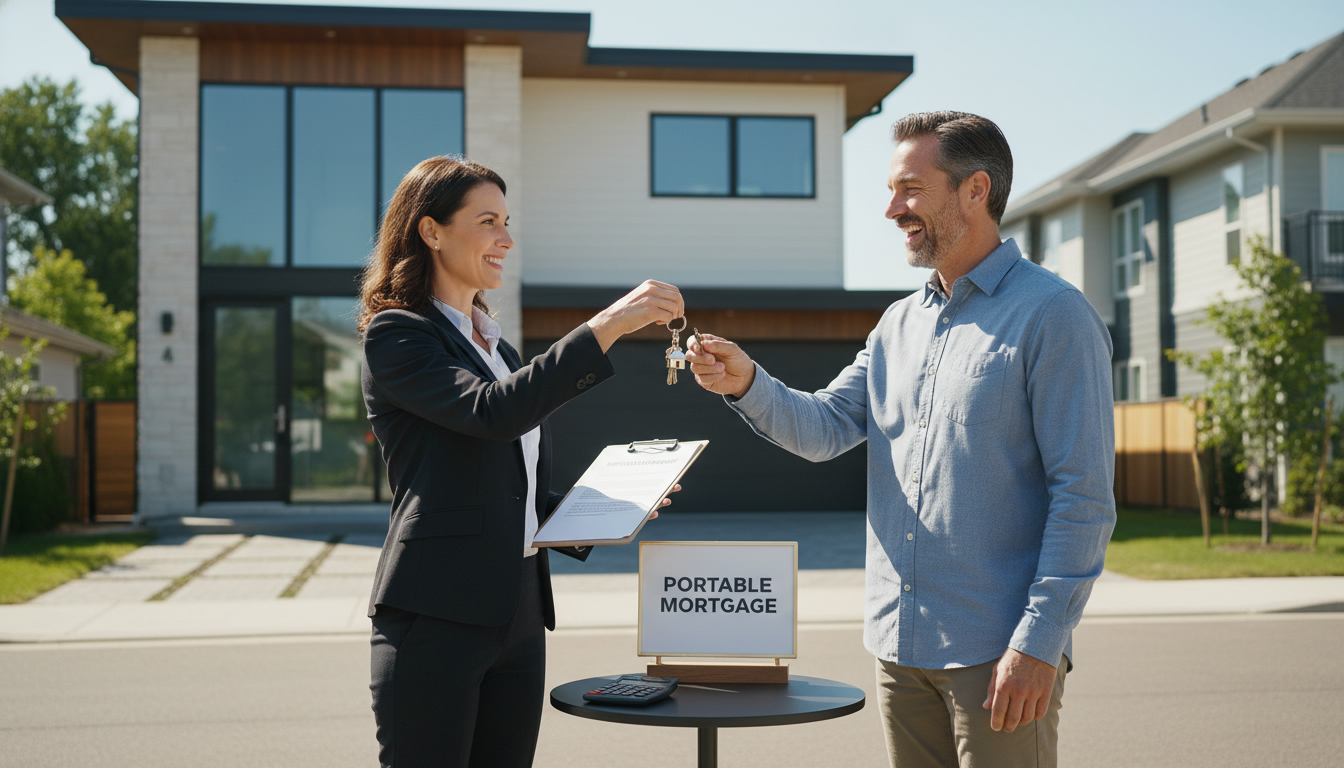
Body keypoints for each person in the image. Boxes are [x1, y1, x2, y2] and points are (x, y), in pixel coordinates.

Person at [686, 112, 1115, 767]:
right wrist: (747, 382)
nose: (892, 209)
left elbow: (1083, 495)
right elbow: (824, 428)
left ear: (975, 190)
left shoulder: (1054, 316)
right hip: (900, 648)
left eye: (910, 189)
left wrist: (1041, 641)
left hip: (999, 654)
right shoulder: (895, 326)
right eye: (892, 190)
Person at [359, 156, 685, 768]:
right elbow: (490, 413)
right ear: (431, 231)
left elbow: (512, 487)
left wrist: (609, 507)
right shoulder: (398, 334)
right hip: (436, 615)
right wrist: (608, 325)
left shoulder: (498, 347)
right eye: (487, 221)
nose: (505, 239)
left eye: (507, 221)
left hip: (517, 616)